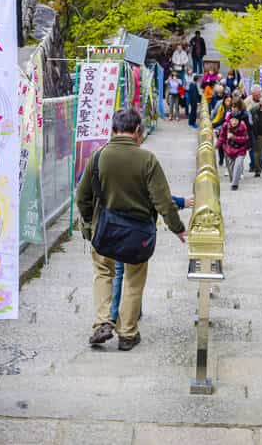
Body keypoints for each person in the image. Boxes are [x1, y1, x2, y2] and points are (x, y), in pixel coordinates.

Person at [76, 108, 187, 351]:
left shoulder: (97, 157)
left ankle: (102, 322)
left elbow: (82, 197)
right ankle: (127, 333)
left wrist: (89, 222)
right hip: (137, 235)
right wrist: (178, 229)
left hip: (104, 230)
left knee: (103, 273)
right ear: (138, 131)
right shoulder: (147, 160)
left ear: (112, 130)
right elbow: (163, 201)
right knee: (133, 281)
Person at [110, 195, 192, 324]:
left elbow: (84, 195)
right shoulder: (142, 173)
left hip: (112, 225)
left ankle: (112, 316)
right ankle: (131, 317)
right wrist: (180, 208)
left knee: (117, 271)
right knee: (134, 276)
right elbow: (157, 195)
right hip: (137, 229)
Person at [220, 101, 251, 190]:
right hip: (229, 150)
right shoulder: (226, 125)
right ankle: (233, 179)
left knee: (238, 165)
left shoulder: (242, 126)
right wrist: (217, 145)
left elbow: (245, 138)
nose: (234, 122)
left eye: (236, 120)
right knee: (231, 169)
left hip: (241, 150)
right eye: (232, 120)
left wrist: (234, 137)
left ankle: (235, 184)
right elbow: (222, 136)